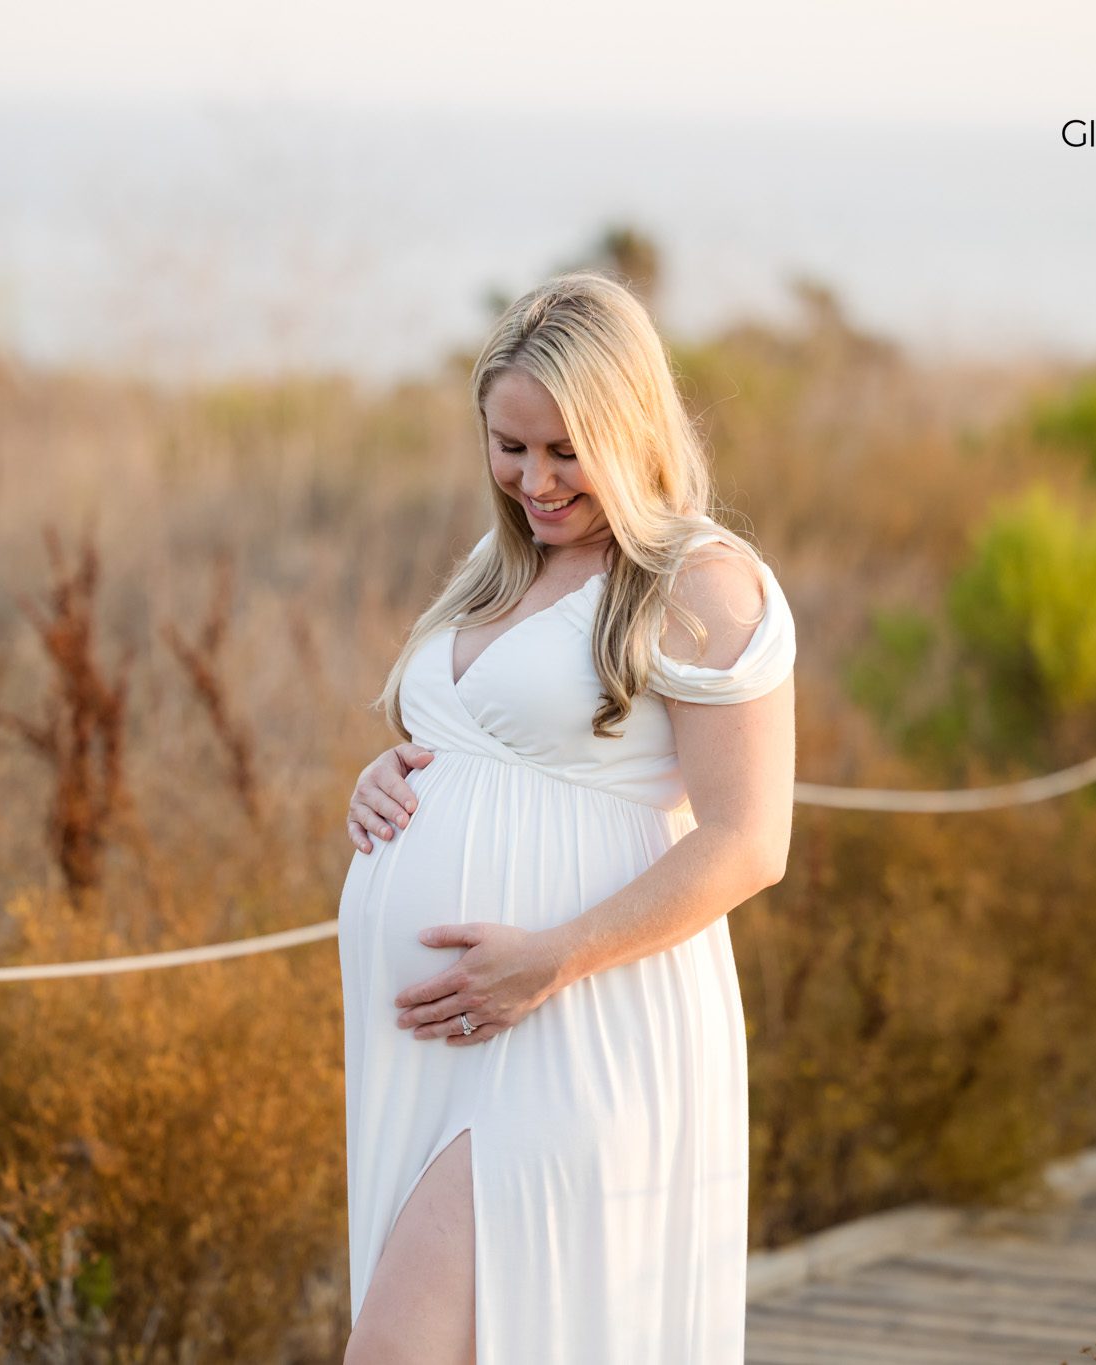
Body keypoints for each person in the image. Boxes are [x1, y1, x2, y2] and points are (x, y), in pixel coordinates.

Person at [336, 271, 797, 1364]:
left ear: (627, 426)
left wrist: (550, 958)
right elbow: (484, 747)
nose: (533, 480)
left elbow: (747, 842)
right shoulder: (499, 573)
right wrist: (384, 780)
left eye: (563, 450)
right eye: (508, 446)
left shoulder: (695, 580)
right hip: (438, 1045)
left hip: (577, 1027)